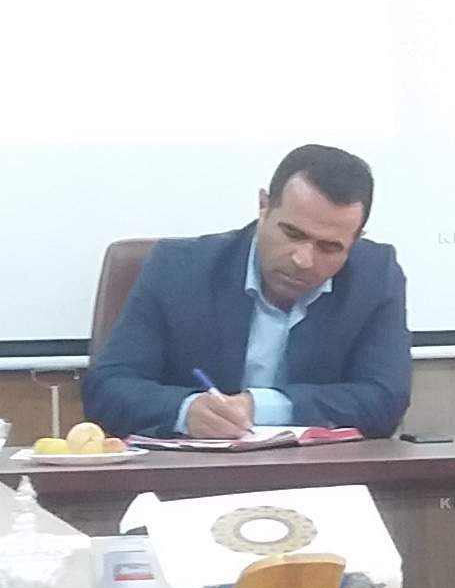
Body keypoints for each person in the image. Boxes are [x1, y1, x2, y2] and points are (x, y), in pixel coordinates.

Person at [87, 142, 414, 439]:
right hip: (196, 473)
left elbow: (385, 399)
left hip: (319, 472)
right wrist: (186, 411)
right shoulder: (177, 270)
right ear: (263, 206)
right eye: (292, 233)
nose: (303, 260)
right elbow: (108, 389)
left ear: (355, 240)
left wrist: (262, 407)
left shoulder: (376, 277)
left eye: (329, 247)